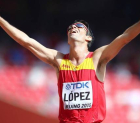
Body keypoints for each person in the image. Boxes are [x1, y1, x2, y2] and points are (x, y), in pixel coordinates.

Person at [0, 16, 139, 123]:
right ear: (67, 39)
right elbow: (26, 41)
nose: (73, 27)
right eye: (70, 28)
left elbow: (125, 37)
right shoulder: (59, 61)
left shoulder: (96, 58)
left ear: (88, 37)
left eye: (79, 26)